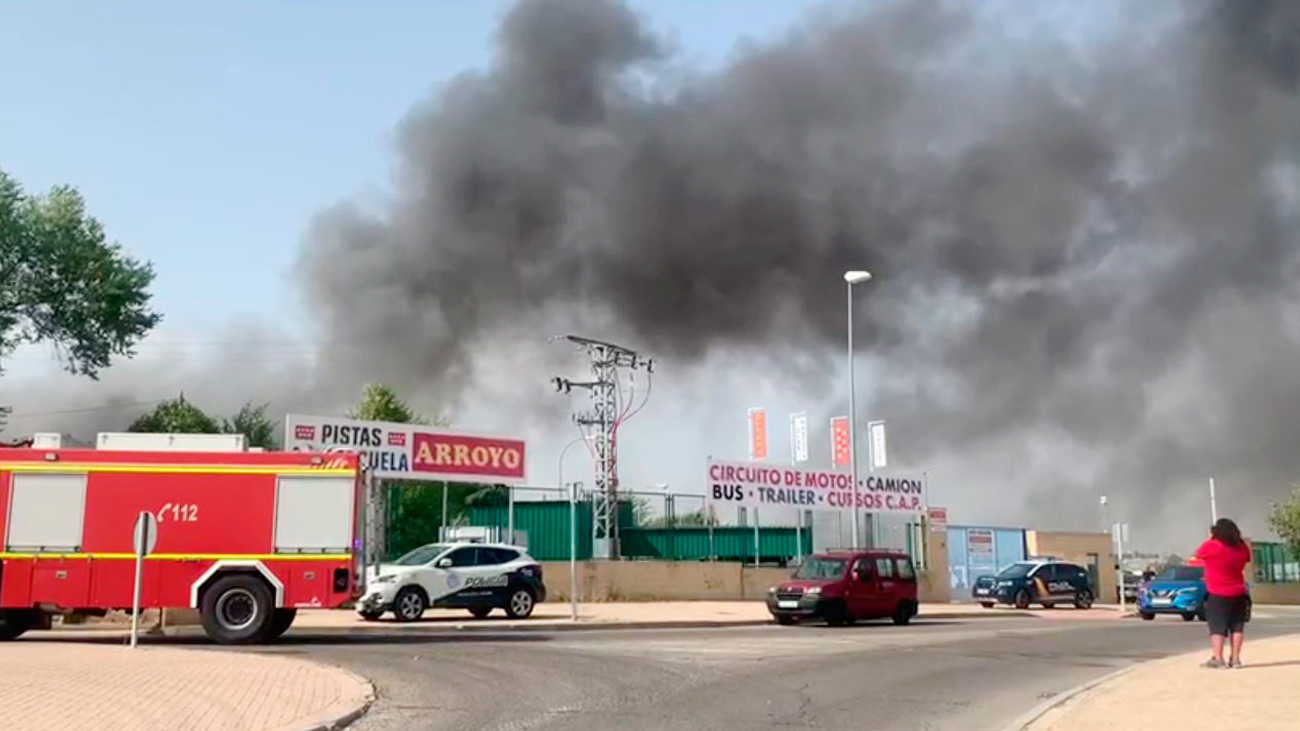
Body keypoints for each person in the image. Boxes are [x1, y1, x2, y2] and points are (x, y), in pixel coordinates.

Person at [1195, 518, 1252, 668]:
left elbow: (1199, 553)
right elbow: (1247, 558)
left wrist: (1211, 537)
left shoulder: (1213, 546)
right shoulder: (1241, 548)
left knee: (1217, 627)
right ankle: (1235, 658)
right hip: (1238, 592)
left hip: (1218, 592)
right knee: (1237, 626)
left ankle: (1218, 658)